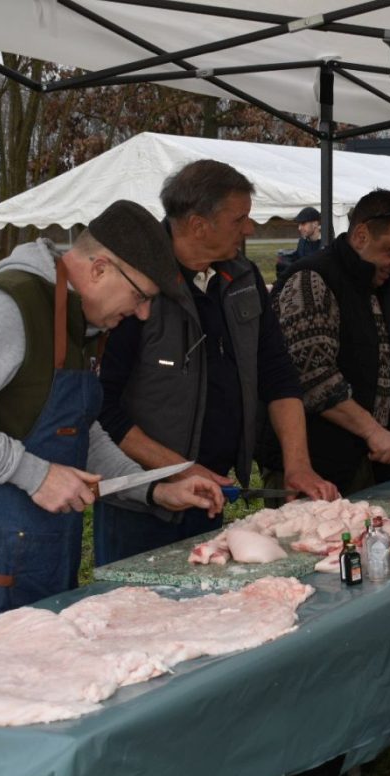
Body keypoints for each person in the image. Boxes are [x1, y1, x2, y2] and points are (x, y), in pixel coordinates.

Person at [0, 200, 226, 635]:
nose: (143, 313)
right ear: (99, 269)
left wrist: (154, 489)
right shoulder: (6, 306)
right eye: (140, 296)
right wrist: (34, 474)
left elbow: (77, 432)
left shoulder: (79, 323)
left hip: (33, 545)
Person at [95, 160, 337, 567]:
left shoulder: (242, 278)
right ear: (197, 225)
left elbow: (278, 375)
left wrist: (298, 465)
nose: (250, 229)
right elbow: (103, 409)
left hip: (209, 496)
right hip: (139, 506)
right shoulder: (132, 284)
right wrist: (178, 471)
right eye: (240, 218)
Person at [266, 189, 390, 495]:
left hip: (364, 464)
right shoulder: (311, 280)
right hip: (310, 469)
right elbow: (313, 379)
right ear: (360, 236)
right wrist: (374, 432)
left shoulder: (378, 284)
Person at [274, 206, 324, 287]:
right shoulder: (302, 241)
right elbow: (298, 258)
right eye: (299, 224)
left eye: (303, 224)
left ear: (315, 224)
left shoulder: (326, 243)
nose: (299, 228)